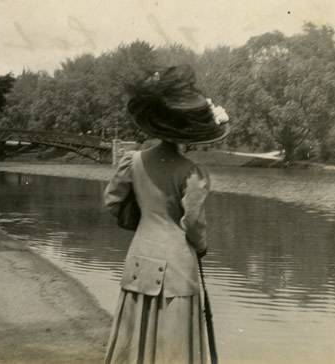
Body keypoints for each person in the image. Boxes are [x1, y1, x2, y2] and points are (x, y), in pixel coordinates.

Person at [103, 65, 230, 364]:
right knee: (173, 345)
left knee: (135, 340)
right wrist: (202, 247)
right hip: (177, 267)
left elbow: (113, 201)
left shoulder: (133, 161)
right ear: (188, 132)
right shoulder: (192, 172)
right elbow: (194, 223)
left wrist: (143, 224)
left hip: (139, 259)